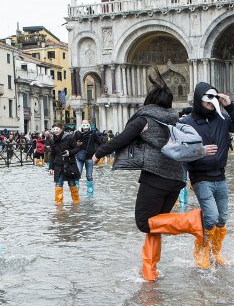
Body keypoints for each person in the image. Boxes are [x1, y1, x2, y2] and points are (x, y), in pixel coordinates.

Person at [92, 68, 216, 281]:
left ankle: (192, 221)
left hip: (156, 176)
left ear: (149, 101)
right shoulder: (174, 119)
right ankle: (150, 271)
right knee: (156, 224)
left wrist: (98, 154)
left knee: (143, 222)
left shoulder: (146, 119)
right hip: (177, 178)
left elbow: (123, 138)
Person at [180, 81, 234, 269]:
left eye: (214, 98)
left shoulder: (222, 118)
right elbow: (178, 150)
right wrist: (199, 151)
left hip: (220, 176)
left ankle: (215, 252)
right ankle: (201, 251)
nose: (212, 103)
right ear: (198, 99)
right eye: (208, 99)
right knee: (210, 216)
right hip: (200, 176)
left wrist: (230, 106)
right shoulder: (186, 123)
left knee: (221, 218)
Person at [49, 123, 80, 205]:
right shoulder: (52, 140)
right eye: (54, 129)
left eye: (57, 129)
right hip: (58, 165)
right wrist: (50, 168)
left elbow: (77, 148)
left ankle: (76, 203)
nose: (55, 131)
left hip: (69, 164)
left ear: (61, 129)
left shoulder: (69, 137)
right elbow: (52, 155)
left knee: (72, 184)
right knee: (58, 184)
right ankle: (59, 207)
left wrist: (69, 153)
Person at [74, 120, 103, 196]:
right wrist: (77, 144)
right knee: (77, 174)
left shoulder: (93, 133)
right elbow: (72, 144)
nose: (85, 127)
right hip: (80, 157)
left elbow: (100, 142)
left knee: (89, 176)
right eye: (84, 125)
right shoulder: (77, 133)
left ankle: (90, 193)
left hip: (90, 157)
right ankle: (75, 192)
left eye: (87, 125)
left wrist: (97, 153)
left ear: (89, 126)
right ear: (81, 126)